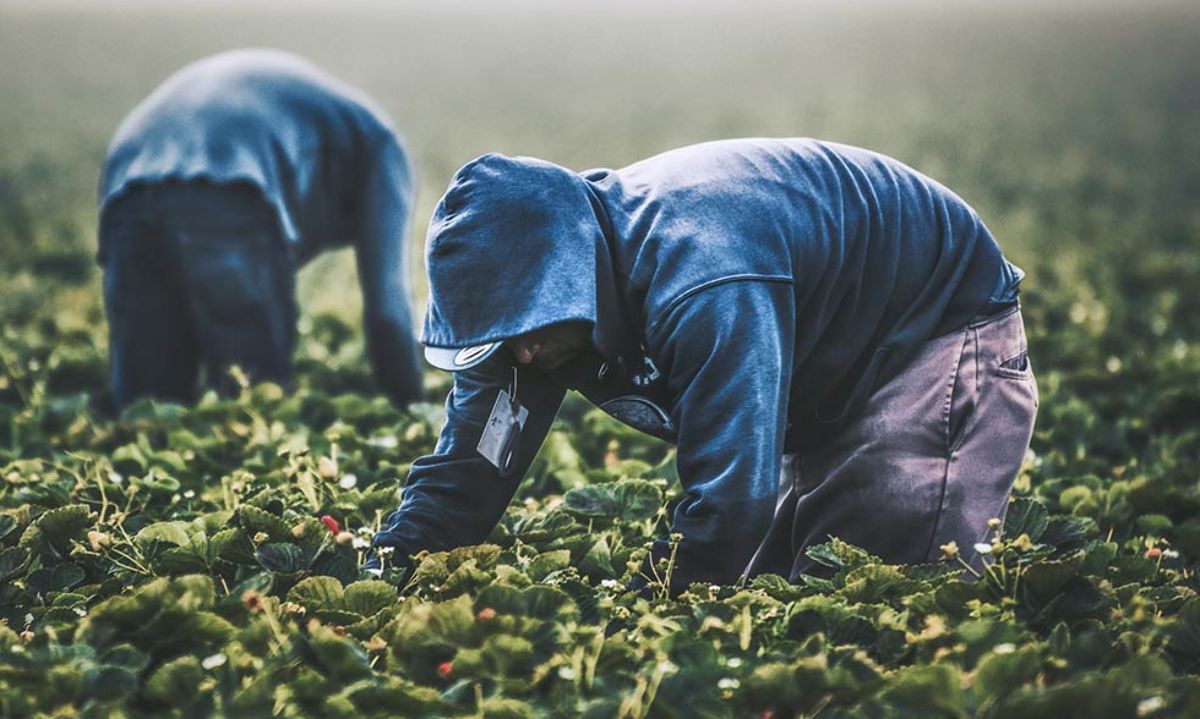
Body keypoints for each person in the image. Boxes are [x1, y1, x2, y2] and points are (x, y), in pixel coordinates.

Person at [371, 138, 1038, 593]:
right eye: (501, 335)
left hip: (933, 326)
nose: (521, 355)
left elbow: (731, 495)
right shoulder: (534, 326)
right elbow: (471, 467)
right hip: (820, 357)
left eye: (529, 327)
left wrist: (653, 600)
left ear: (570, 276)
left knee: (888, 589)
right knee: (788, 591)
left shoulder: (702, 276)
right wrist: (389, 566)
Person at [98, 48, 421, 412]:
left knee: (148, 410)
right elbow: (388, 314)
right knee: (251, 404)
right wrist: (412, 408)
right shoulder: (385, 150)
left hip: (126, 182)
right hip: (229, 181)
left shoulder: (334, 130)